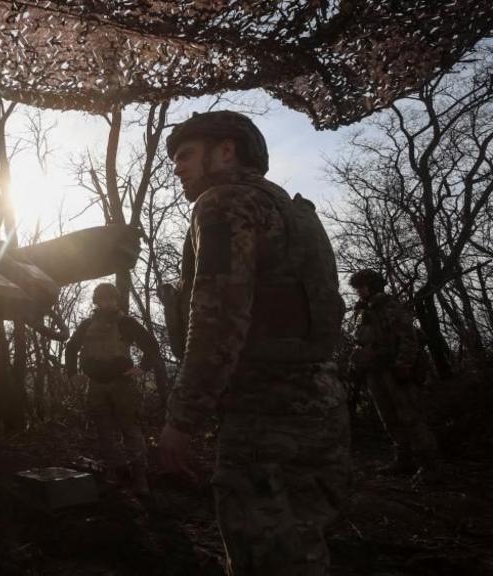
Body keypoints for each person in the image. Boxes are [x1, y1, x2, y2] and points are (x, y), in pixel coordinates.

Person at [157, 111, 350, 575]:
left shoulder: (224, 202)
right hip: (323, 408)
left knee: (265, 558)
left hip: (264, 418)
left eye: (185, 155)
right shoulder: (292, 210)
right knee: (307, 546)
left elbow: (218, 320)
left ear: (226, 150)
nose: (177, 167)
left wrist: (182, 420)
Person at [65, 282, 162, 496]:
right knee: (105, 434)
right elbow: (71, 348)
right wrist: (73, 374)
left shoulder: (126, 322)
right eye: (102, 299)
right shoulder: (86, 325)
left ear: (116, 301)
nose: (106, 303)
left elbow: (151, 346)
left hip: (122, 385)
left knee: (131, 431)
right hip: (96, 386)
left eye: (110, 298)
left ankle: (140, 479)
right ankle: (114, 476)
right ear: (96, 302)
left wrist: (142, 368)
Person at [348, 269, 439, 481]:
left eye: (361, 286)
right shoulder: (364, 312)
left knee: (410, 417)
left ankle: (430, 466)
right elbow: (362, 342)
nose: (358, 291)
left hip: (393, 369)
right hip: (375, 371)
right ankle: (404, 460)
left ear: (371, 286)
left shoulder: (390, 306)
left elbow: (408, 337)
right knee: (389, 418)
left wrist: (403, 364)